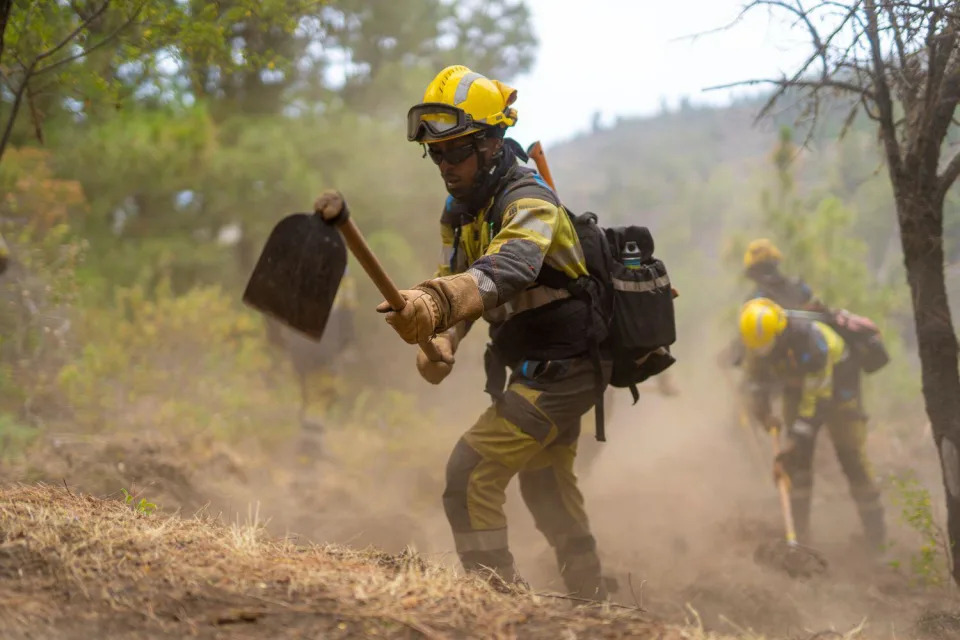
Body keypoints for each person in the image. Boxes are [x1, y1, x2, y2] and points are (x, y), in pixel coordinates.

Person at [347, 65, 611, 598]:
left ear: (492, 143)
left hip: (568, 369)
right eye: (436, 154)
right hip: (535, 368)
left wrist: (432, 302)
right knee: (544, 484)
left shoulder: (530, 201)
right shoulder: (461, 210)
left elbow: (507, 269)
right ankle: (591, 602)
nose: (445, 165)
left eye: (457, 151)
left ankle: (496, 605)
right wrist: (443, 339)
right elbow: (460, 282)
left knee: (468, 479)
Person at [739, 297, 886, 553]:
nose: (766, 354)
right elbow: (754, 382)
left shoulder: (812, 343)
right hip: (798, 389)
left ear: (780, 331)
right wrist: (763, 414)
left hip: (840, 389)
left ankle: (877, 540)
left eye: (769, 348)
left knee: (851, 457)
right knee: (797, 465)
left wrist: (794, 441)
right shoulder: (758, 342)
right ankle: (801, 539)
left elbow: (815, 402)